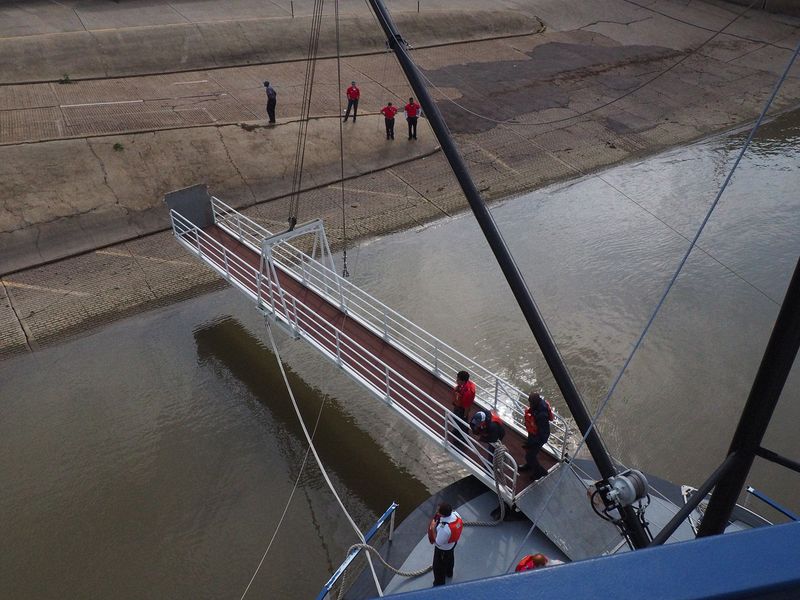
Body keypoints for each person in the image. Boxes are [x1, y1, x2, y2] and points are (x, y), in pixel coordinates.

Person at [427, 502, 463, 586]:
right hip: (452, 544)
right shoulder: (456, 515)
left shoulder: (445, 529)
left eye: (438, 511)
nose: (436, 511)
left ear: (442, 514)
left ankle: (439, 583)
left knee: (438, 567)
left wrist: (432, 528)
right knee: (450, 559)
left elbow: (438, 542)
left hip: (443, 550)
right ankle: (449, 573)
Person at [520, 392, 553, 479]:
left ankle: (540, 472)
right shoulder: (537, 405)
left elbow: (543, 432)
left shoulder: (542, 415)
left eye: (531, 403)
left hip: (539, 437)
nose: (530, 404)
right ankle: (529, 465)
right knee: (528, 451)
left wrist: (533, 442)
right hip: (533, 433)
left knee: (530, 455)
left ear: (536, 402)